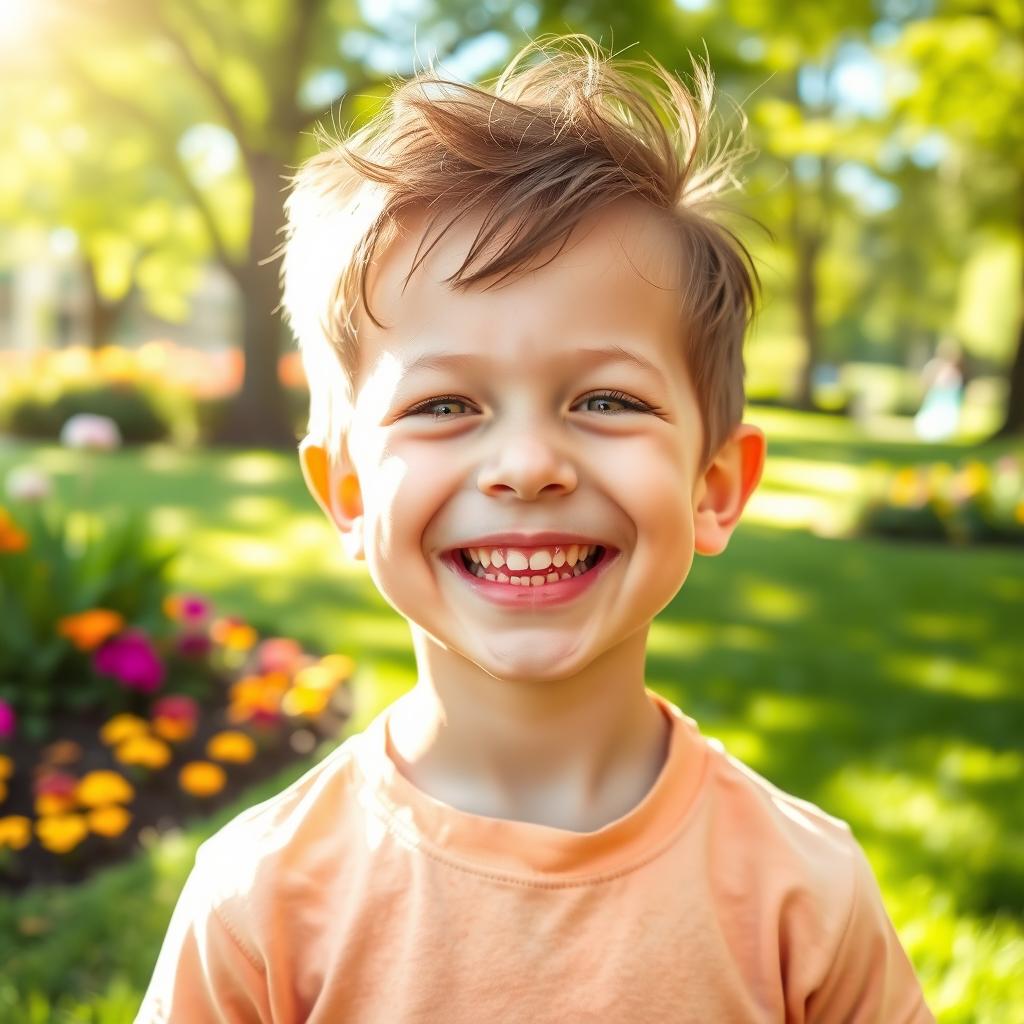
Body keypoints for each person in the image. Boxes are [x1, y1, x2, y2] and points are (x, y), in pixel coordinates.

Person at [136, 34, 935, 1023]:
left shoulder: (804, 895)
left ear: (715, 485)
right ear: (345, 490)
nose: (524, 466)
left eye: (603, 400)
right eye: (443, 405)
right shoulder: (259, 902)